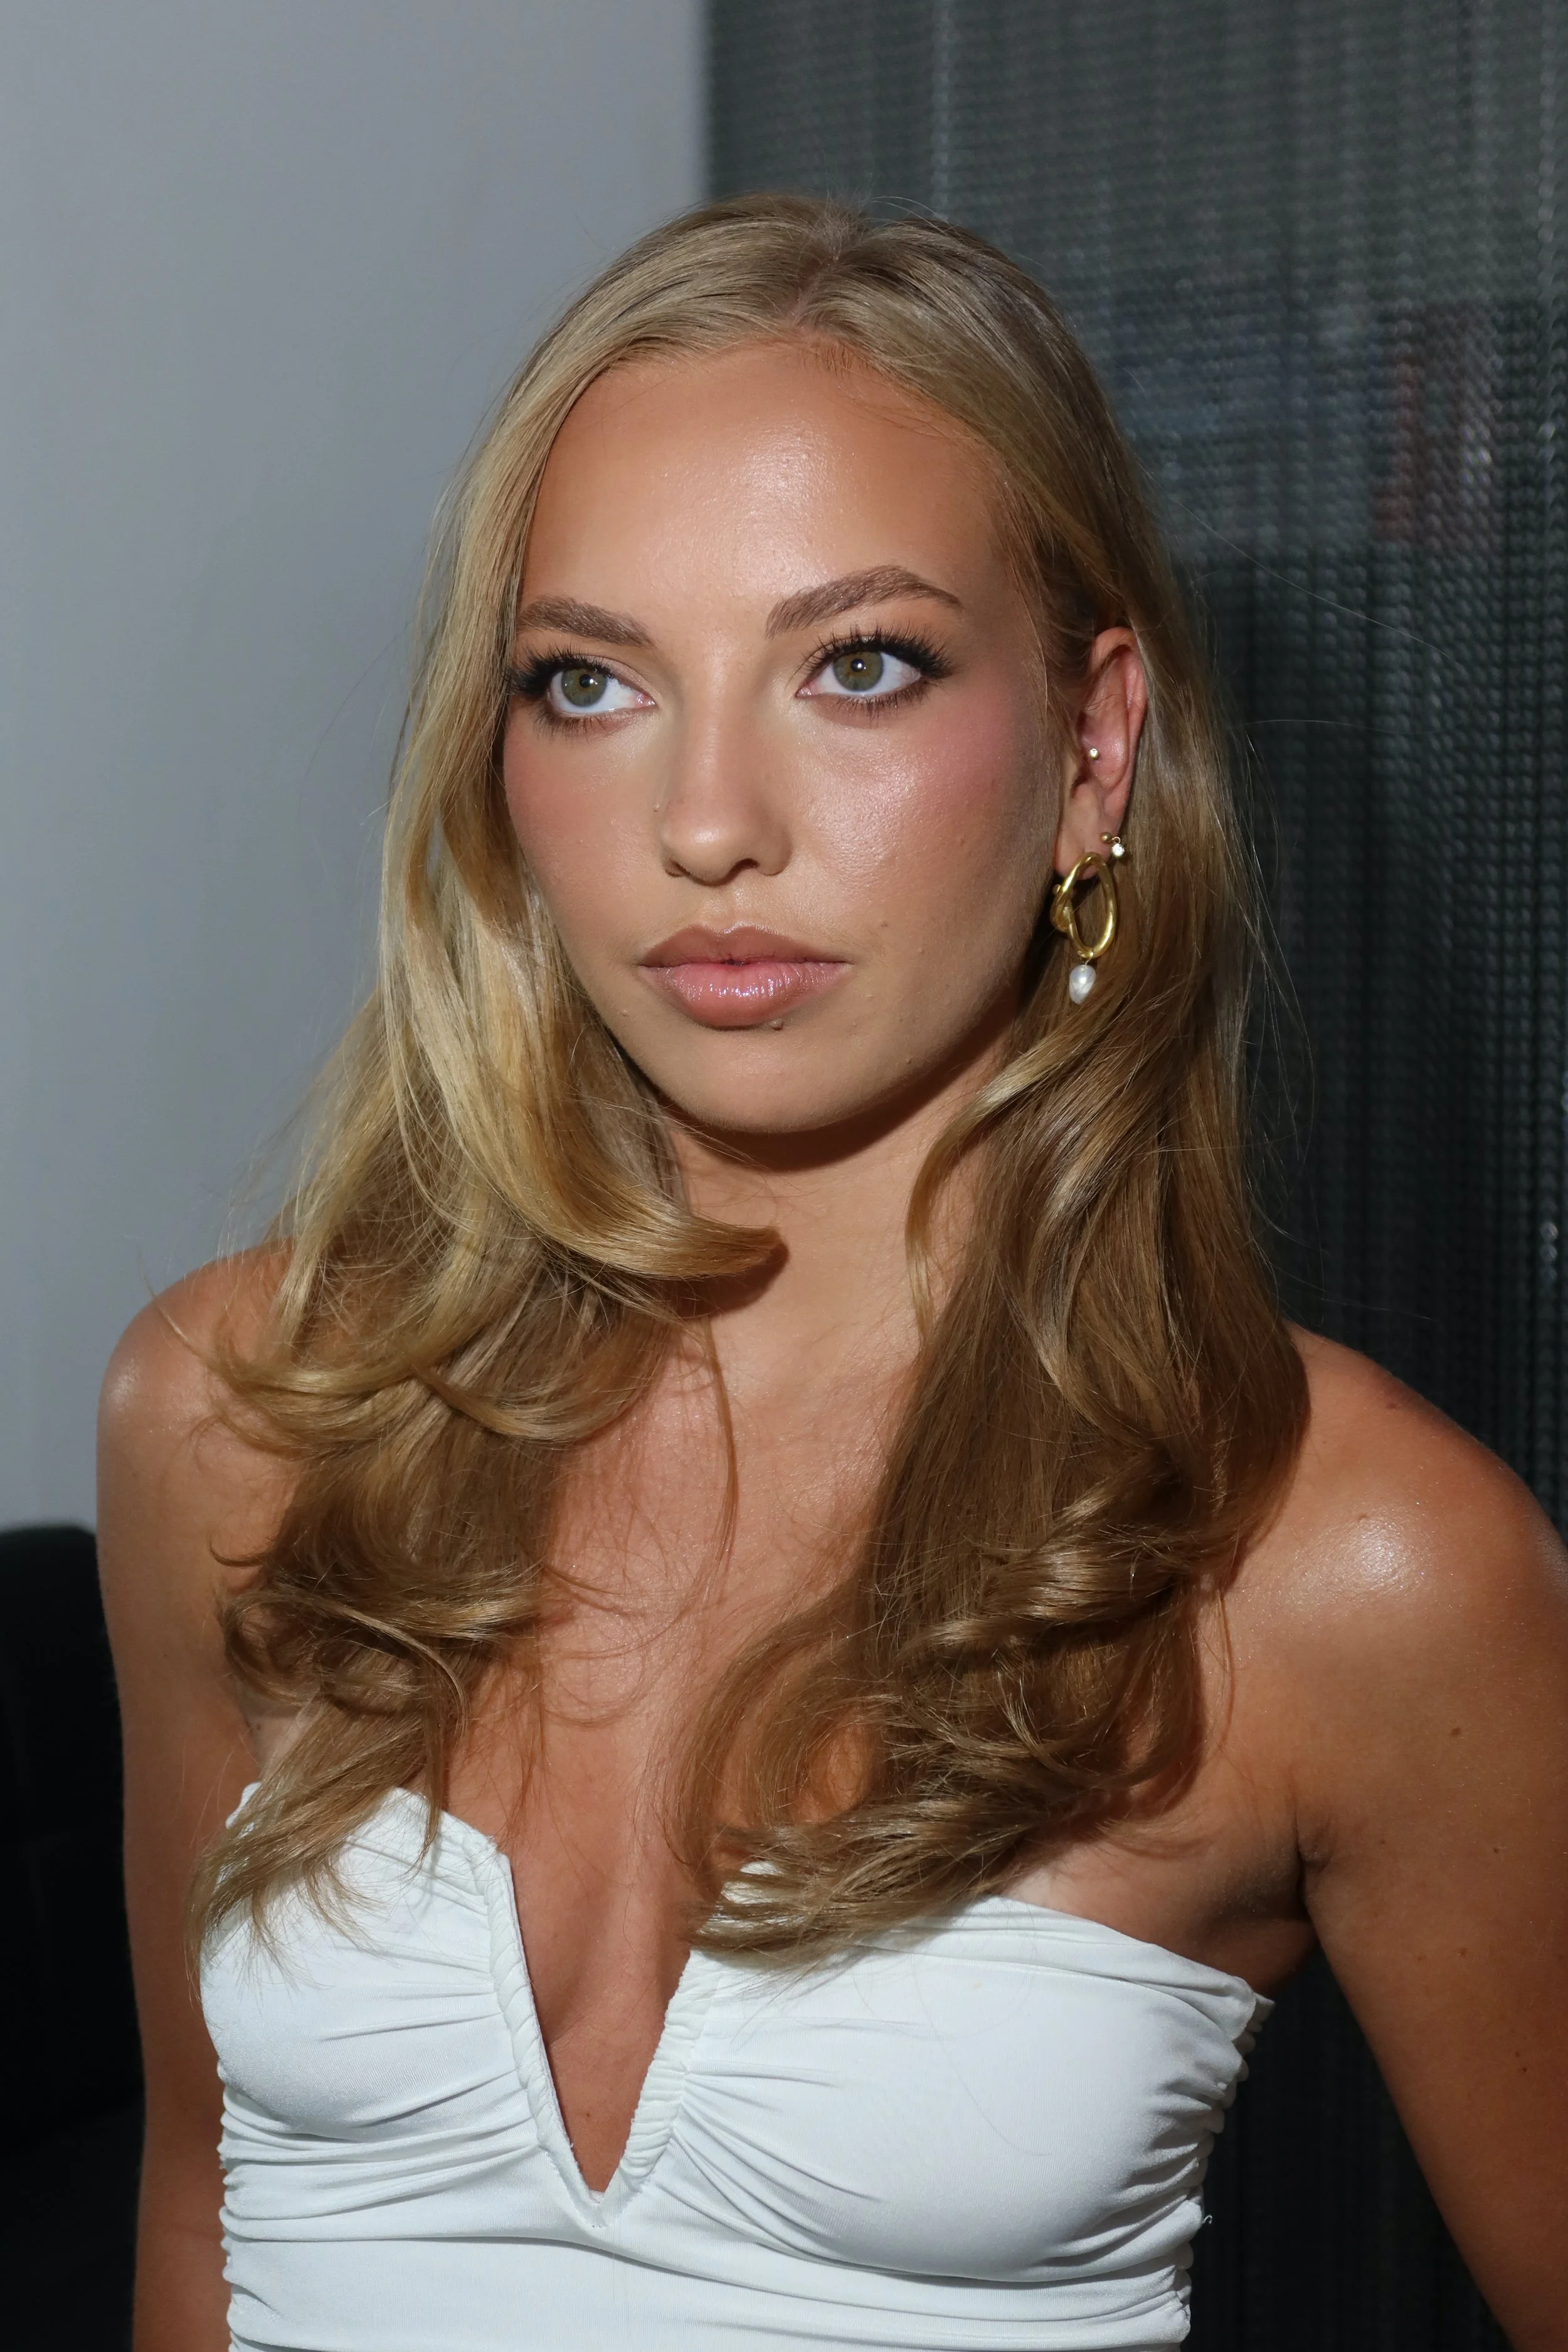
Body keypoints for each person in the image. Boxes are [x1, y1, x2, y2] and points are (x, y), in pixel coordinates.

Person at [98, 196, 1568, 2352]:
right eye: (589, 682)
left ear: (1093, 750)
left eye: (855, 663)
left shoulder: (1332, 1556)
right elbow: (197, 2226)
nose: (708, 820)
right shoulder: (240, 1418)